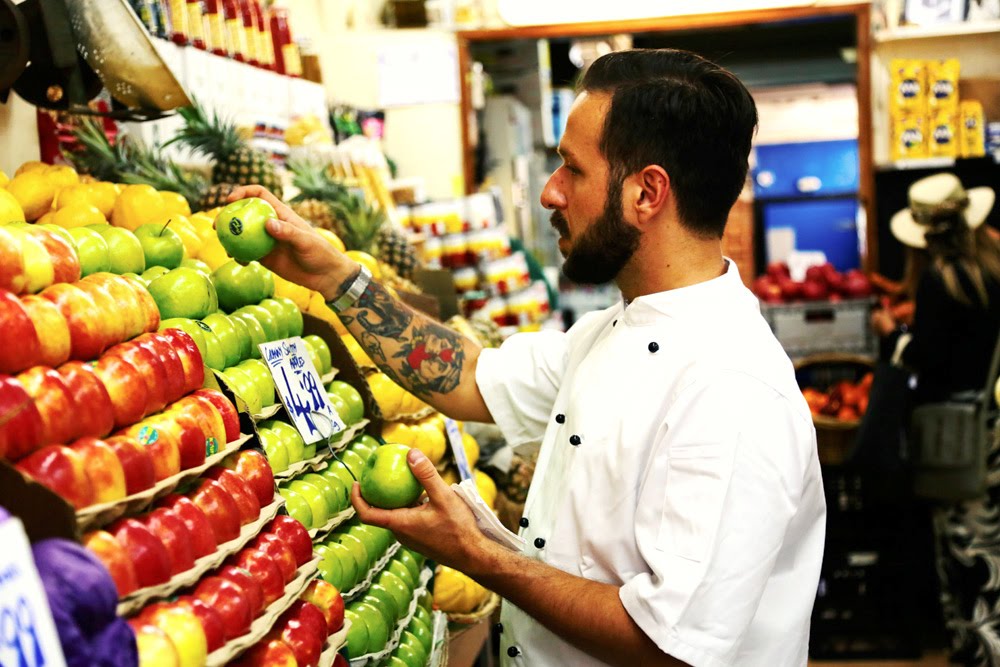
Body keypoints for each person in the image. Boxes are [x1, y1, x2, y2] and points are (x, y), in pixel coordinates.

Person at [230, 48, 826, 666]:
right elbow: (463, 374)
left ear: (647, 192)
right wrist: (335, 278)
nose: (549, 192)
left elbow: (668, 645)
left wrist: (480, 555)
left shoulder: (731, 388)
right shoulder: (608, 332)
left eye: (572, 169)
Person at [871, 173, 1000, 665]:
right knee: (993, 548)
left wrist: (891, 335)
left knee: (965, 549)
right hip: (994, 429)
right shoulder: (991, 268)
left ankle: (976, 649)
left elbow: (928, 357)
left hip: (957, 437)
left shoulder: (939, 280)